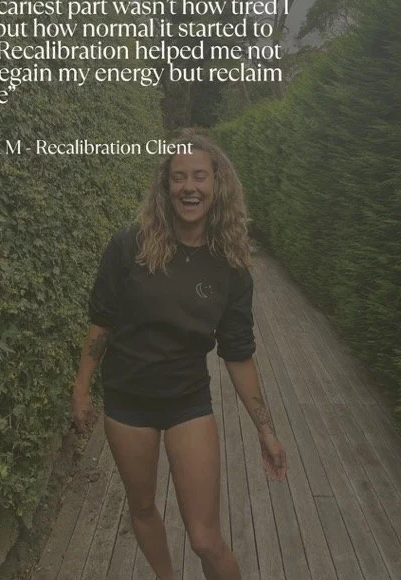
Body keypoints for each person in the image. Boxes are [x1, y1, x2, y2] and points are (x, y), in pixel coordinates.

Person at [72, 132, 287, 580]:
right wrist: (81, 390)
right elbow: (101, 323)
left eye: (200, 176)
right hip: (127, 402)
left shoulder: (231, 267)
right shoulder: (128, 246)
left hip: (188, 401)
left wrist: (265, 430)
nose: (189, 186)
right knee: (142, 507)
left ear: (217, 184)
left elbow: (238, 354)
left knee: (206, 539)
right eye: (179, 177)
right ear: (165, 187)